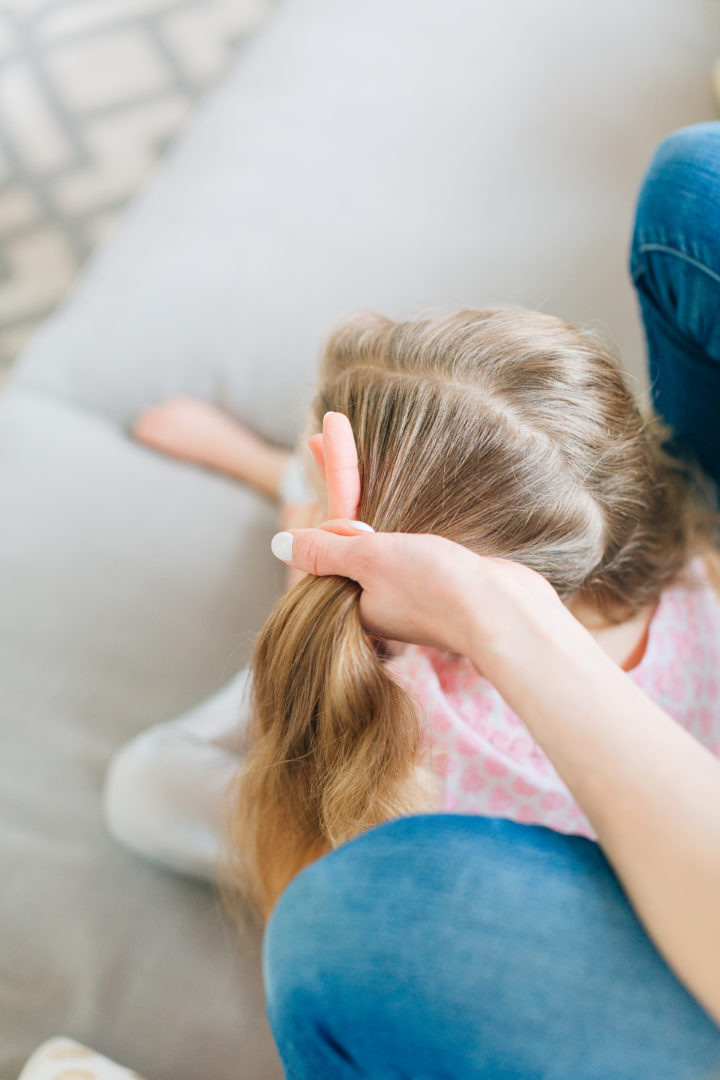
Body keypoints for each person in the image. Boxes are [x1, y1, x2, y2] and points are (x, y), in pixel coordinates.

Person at [103, 121, 720, 1077]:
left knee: (144, 789)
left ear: (406, 607)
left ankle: (293, 500)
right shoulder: (697, 582)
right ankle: (286, 481)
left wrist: (319, 606)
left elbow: (331, 808)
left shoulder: (417, 703)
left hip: (446, 801)